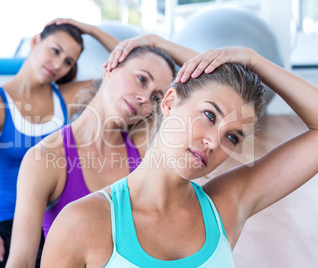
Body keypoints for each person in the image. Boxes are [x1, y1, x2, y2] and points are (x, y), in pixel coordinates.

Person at [41, 46, 318, 267]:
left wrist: (253, 59)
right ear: (170, 102)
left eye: (232, 137)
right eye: (209, 115)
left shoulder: (226, 206)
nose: (213, 142)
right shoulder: (82, 222)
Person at [6, 31, 200, 267]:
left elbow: (216, 78)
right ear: (111, 66)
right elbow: (21, 262)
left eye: (156, 97)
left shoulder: (143, 144)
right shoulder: (45, 158)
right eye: (141, 79)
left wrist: (153, 41)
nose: (144, 99)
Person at [0, 18, 123, 268]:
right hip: (8, 221)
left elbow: (127, 66)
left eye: (68, 61)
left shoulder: (68, 97)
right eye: (55, 51)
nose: (58, 64)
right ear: (36, 41)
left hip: (57, 221)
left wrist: (91, 30)